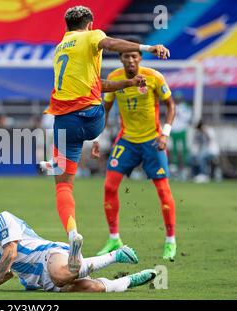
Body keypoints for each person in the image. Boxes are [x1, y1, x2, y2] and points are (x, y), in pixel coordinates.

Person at [39, 5, 170, 272]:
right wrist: (147, 49)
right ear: (90, 24)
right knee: (98, 104)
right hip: (92, 118)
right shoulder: (91, 36)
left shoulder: (59, 48)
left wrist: (128, 83)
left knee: (63, 186)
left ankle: (72, 232)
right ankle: (67, 155)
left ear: (67, 26)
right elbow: (110, 46)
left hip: (65, 120)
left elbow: (98, 83)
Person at [0, 199, 156, 293]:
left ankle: (114, 255)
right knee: (92, 288)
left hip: (49, 255)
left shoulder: (4, 220)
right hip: (42, 281)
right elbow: (7, 272)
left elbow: (11, 253)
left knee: (60, 276)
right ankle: (129, 281)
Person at [95, 38, 177, 261]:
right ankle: (114, 238)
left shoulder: (154, 77)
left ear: (140, 58)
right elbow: (105, 109)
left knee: (162, 190)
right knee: (109, 186)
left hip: (153, 140)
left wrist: (165, 134)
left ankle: (170, 240)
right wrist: (97, 138)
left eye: (134, 56)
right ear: (121, 58)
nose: (130, 59)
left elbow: (171, 105)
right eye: (126, 56)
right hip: (127, 141)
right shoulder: (113, 78)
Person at [170, 91, 192, 178]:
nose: (178, 100)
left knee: (183, 149)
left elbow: (188, 117)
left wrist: (180, 114)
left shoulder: (185, 107)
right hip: (174, 130)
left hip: (182, 130)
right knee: (174, 149)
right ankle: (174, 167)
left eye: (179, 98)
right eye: (176, 98)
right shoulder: (172, 106)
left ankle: (185, 167)